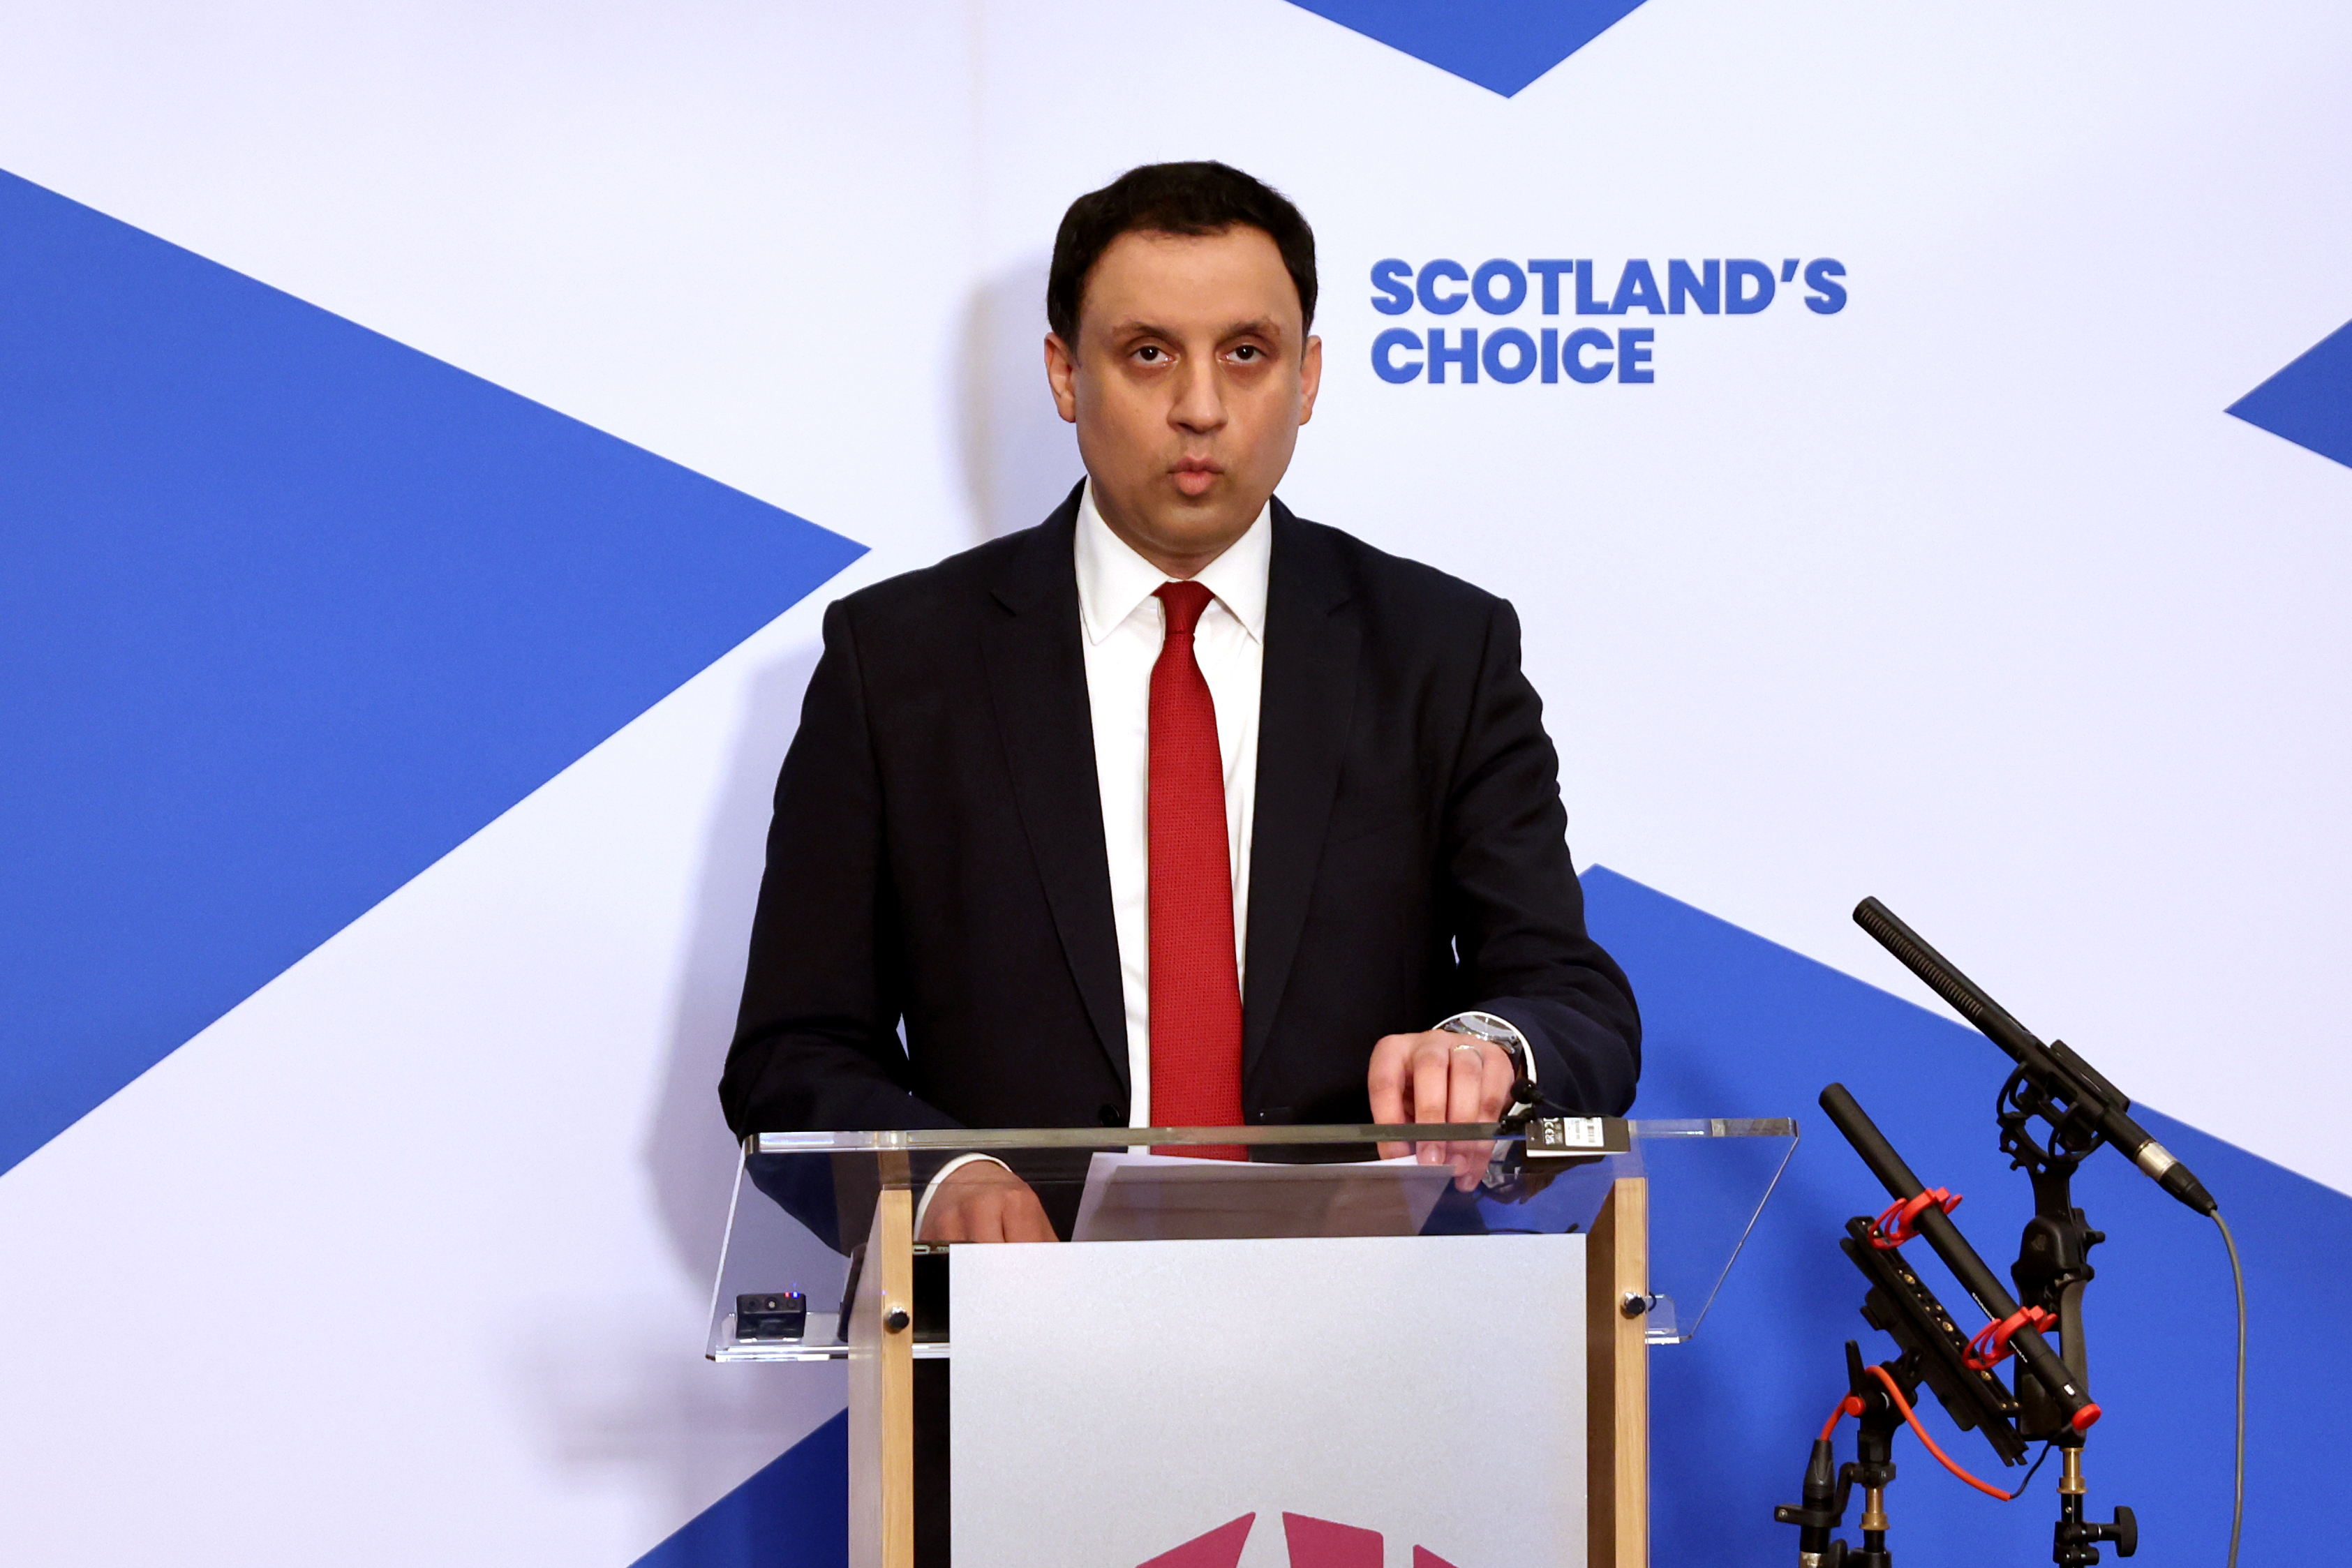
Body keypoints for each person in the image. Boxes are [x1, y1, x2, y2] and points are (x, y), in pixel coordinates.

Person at [720, 160, 1639, 1244]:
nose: (1199, 407)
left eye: (1246, 355)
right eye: (1147, 354)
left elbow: (1571, 1001)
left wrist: (1487, 1047)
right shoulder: (898, 661)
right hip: (1016, 1339)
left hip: (1378, 1336)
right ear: (1065, 376)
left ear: (1306, 379)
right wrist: (938, 1176)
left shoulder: (1440, 649)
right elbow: (793, 1056)